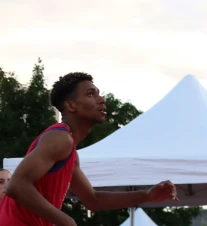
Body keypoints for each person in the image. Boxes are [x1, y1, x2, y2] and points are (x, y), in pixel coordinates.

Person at [0, 72, 178, 226]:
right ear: (71, 106)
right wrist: (66, 221)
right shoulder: (60, 138)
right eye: (91, 94)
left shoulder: (70, 151)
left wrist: (147, 195)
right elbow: (16, 186)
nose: (101, 100)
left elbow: (93, 200)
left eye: (98, 94)